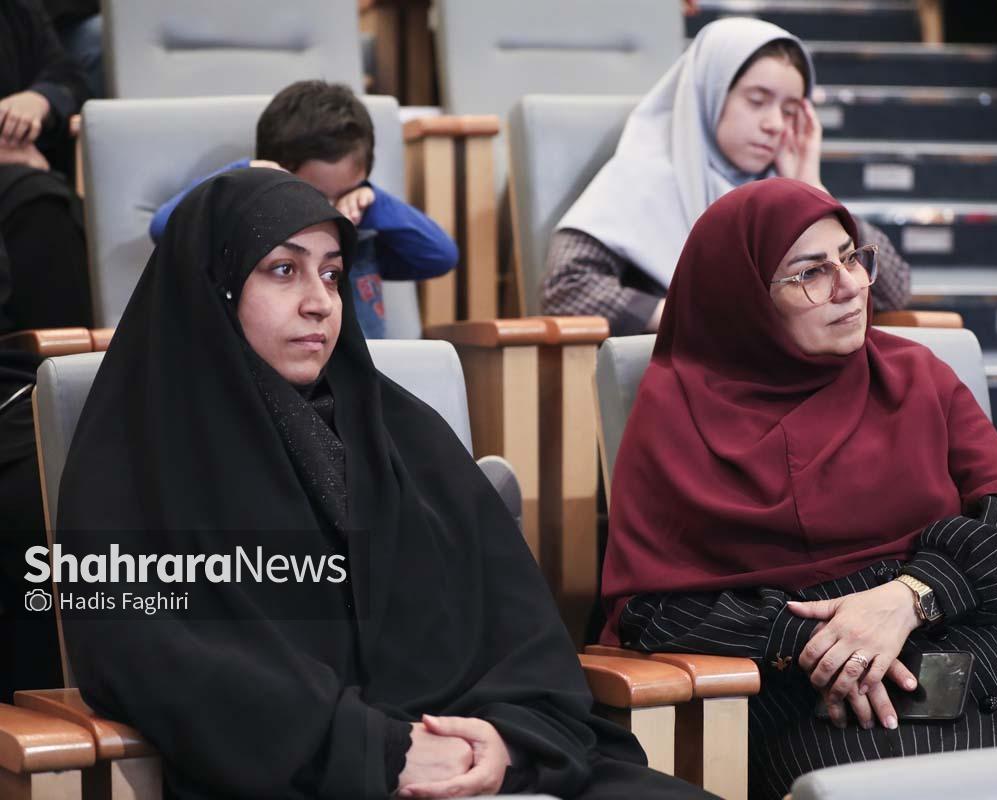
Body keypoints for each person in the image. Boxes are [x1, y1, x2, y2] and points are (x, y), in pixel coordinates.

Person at [53, 168, 713, 799]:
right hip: (294, 773)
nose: (319, 302)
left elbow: (522, 633)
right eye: (283, 270)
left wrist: (507, 739)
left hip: (478, 758)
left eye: (332, 274)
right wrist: (377, 748)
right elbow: (148, 656)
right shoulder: (138, 447)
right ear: (213, 284)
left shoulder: (402, 430)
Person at [599, 178, 997, 800]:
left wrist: (910, 597)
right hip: (842, 694)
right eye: (811, 273)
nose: (849, 285)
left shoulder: (915, 373)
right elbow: (654, 611)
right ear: (744, 301)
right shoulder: (677, 415)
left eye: (851, 257)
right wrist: (826, 643)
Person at [542, 17, 911, 336]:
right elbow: (567, 287)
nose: (774, 124)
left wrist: (813, 190)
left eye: (789, 110)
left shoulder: (781, 189)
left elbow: (892, 292)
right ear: (708, 95)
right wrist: (692, 318)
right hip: (691, 369)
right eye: (757, 101)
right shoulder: (642, 177)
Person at [149, 80, 457, 339]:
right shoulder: (250, 235)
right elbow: (164, 228)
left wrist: (372, 201)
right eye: (315, 196)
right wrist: (246, 176)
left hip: (362, 384)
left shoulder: (362, 235)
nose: (332, 210)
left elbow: (440, 255)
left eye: (345, 193)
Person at [0, 0, 91, 334]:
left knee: (45, 201)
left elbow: (70, 77)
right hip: (19, 174)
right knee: (38, 201)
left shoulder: (16, 9)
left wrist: (41, 98)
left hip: (25, 174)